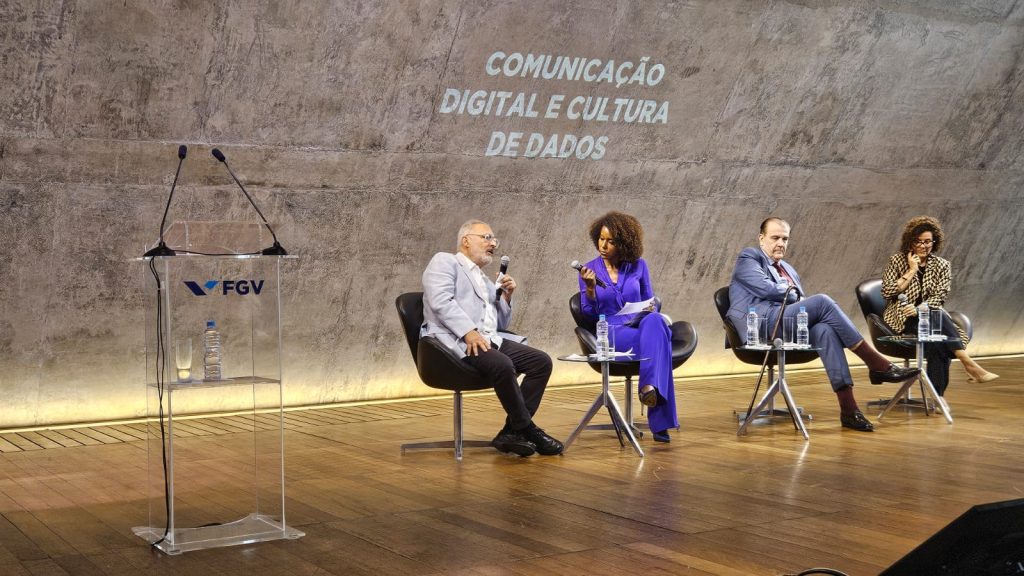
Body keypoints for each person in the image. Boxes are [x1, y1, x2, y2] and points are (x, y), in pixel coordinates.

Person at [728, 217, 920, 432]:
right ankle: (876, 363)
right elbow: (769, 290)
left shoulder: (788, 269)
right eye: (775, 238)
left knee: (825, 330)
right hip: (760, 325)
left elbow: (794, 298)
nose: (780, 243)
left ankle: (849, 410)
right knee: (822, 301)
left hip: (785, 323)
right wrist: (790, 292)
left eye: (785, 239)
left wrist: (793, 295)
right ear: (761, 238)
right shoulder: (749, 257)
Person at [421, 219, 564, 457]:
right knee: (503, 364)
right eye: (486, 237)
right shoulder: (445, 261)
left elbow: (500, 324)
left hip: (487, 339)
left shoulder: (485, 280)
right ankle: (528, 429)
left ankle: (511, 432)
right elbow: (441, 301)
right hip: (454, 341)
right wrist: (468, 331)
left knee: (541, 362)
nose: (493, 244)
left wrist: (506, 296)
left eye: (494, 239)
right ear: (466, 241)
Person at [576, 212, 677, 443]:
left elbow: (651, 302)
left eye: (610, 241)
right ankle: (658, 418)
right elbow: (588, 315)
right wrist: (590, 288)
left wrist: (645, 309)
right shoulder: (588, 270)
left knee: (656, 320)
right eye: (601, 239)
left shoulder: (639, 266)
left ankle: (648, 387)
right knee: (660, 345)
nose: (603, 246)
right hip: (611, 330)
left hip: (640, 325)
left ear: (623, 242)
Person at [880, 216, 998, 395]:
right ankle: (967, 364)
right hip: (904, 318)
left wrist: (919, 309)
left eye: (928, 241)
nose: (923, 246)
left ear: (934, 242)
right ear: (910, 242)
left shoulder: (942, 265)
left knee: (938, 341)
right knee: (939, 324)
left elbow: (939, 297)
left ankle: (938, 396)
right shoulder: (896, 261)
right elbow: (887, 292)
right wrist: (912, 270)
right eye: (918, 241)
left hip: (931, 317)